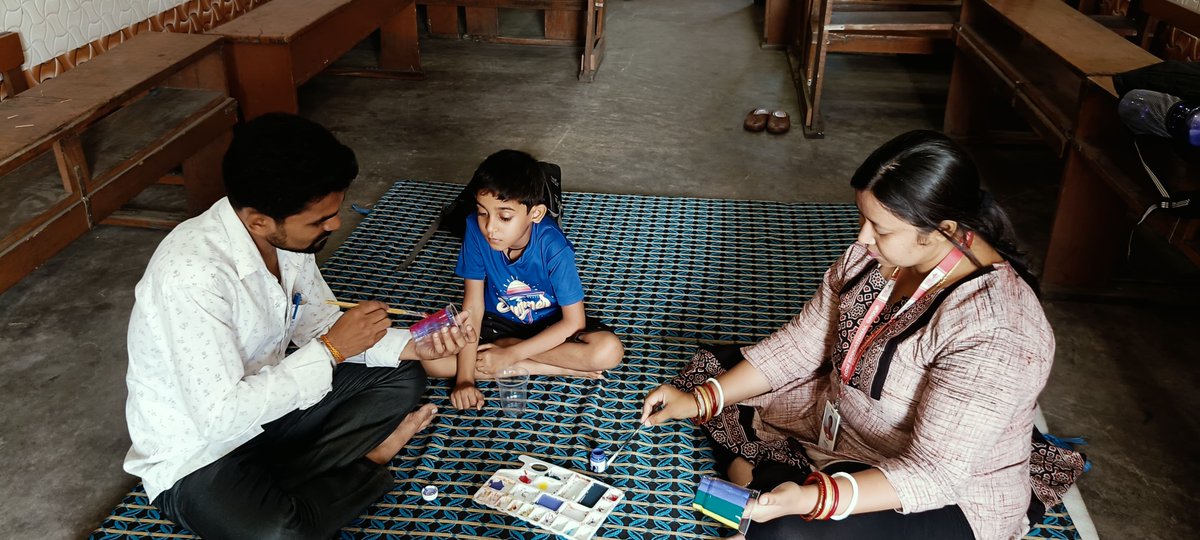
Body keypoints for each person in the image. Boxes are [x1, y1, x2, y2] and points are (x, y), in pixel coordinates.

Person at [640, 130, 1056, 540]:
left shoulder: (999, 330)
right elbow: (800, 345)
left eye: (881, 228)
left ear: (942, 229)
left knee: (785, 530)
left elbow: (936, 474)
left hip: (942, 492)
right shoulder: (876, 256)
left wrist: (812, 500)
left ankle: (770, 487)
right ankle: (772, 485)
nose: (862, 238)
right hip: (841, 428)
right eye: (864, 219)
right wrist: (698, 400)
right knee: (713, 374)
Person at [123, 113, 477, 540]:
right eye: (320, 220)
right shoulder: (190, 277)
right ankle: (370, 462)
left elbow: (317, 323)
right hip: (201, 450)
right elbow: (220, 418)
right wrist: (330, 350)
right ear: (258, 220)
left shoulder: (285, 239)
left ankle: (287, 485)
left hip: (272, 410)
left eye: (335, 211)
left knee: (402, 376)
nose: (336, 225)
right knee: (277, 533)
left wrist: (414, 347)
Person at [421, 149, 624, 410]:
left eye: (504, 217)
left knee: (608, 351)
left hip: (549, 326)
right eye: (483, 212)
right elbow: (473, 307)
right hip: (498, 324)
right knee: (430, 360)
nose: (490, 227)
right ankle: (549, 368)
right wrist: (465, 380)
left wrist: (511, 351)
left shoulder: (554, 246)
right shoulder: (474, 228)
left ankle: (510, 354)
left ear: (536, 214)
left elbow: (574, 321)